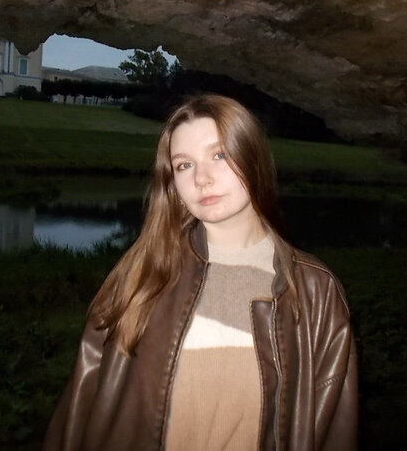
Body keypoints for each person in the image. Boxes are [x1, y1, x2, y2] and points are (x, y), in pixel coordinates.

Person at [42, 94, 358, 451]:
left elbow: (333, 427)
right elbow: (81, 406)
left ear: (252, 158)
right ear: (172, 184)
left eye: (219, 155)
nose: (202, 179)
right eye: (184, 165)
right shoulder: (143, 273)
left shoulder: (315, 289)